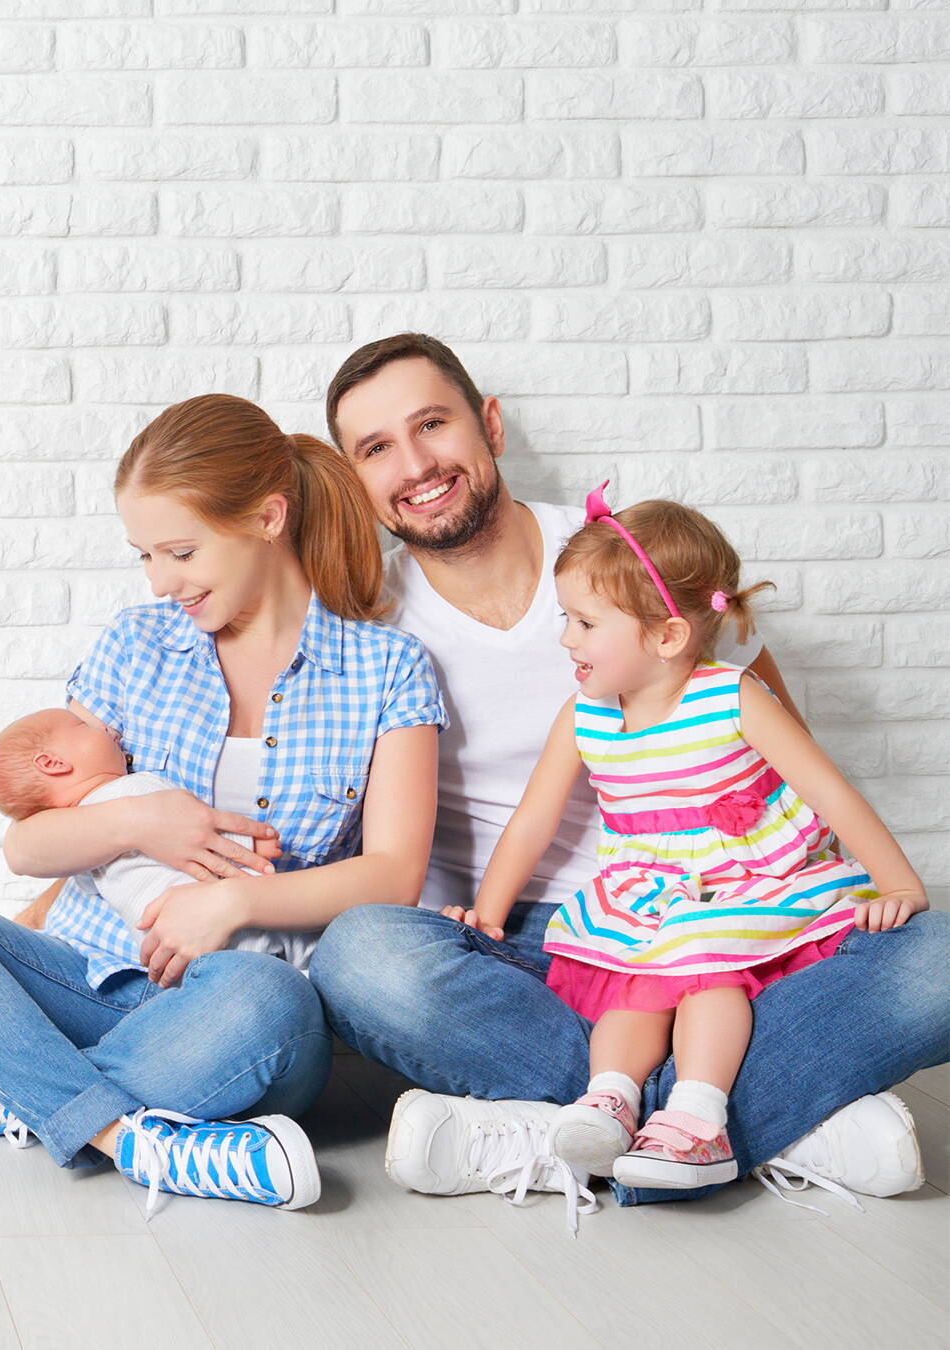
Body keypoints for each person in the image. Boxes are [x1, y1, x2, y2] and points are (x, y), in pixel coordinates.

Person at [308, 332, 947, 1212]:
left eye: (432, 423)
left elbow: (789, 764)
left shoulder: (621, 556)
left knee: (938, 957)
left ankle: (569, 1132)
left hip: (724, 915)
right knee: (358, 956)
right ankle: (735, 1121)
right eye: (376, 447)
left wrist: (761, 914)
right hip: (535, 951)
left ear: (487, 423)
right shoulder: (365, 618)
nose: (415, 463)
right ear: (354, 478)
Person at [0, 394, 444, 1216]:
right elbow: (28, 847)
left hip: (233, 1009)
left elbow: (395, 873)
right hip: (88, 977)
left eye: (180, 551)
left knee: (269, 1003)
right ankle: (126, 1134)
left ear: (267, 518)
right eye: (145, 556)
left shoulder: (389, 669)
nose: (161, 581)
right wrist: (134, 821)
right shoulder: (136, 643)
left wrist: (231, 902)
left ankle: (2, 1089)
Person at [459, 486, 927, 1195]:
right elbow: (533, 819)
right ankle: (609, 1100)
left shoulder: (731, 697)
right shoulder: (583, 717)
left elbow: (829, 791)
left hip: (746, 886)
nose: (566, 640)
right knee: (632, 990)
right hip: (649, 893)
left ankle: (699, 1115)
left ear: (667, 637)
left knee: (707, 973)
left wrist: (898, 883)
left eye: (584, 623)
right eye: (566, 619)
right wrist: (489, 913)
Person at [0, 707, 310, 963]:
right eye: (85, 726)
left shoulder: (81, 847)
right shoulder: (138, 789)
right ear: (52, 762)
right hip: (218, 927)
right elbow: (208, 835)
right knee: (300, 940)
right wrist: (253, 843)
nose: (110, 729)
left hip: (164, 949)